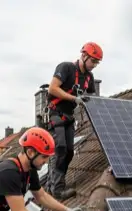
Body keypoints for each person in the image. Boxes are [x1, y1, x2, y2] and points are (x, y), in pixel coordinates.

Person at [45, 41, 103, 200]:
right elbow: (53, 89)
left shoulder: (89, 77)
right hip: (56, 114)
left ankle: (53, 184)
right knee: (60, 148)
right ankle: (56, 188)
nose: (94, 65)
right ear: (84, 56)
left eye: (97, 63)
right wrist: (73, 98)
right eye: (93, 61)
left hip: (70, 117)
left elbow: (90, 96)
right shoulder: (65, 68)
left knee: (69, 152)